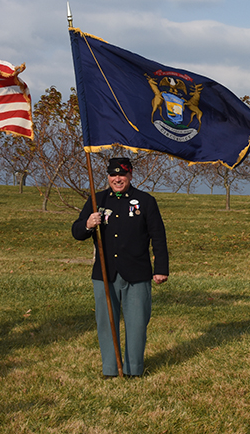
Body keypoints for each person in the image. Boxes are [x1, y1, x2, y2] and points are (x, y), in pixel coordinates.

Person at [71, 157, 169, 377]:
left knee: (137, 324)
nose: (117, 179)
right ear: (108, 176)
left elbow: (158, 237)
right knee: (106, 323)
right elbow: (77, 231)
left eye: (122, 175)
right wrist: (88, 224)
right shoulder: (97, 200)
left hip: (137, 274)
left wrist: (160, 268)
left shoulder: (145, 201)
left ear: (130, 175)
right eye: (113, 175)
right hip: (105, 273)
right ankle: (111, 368)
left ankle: (134, 369)